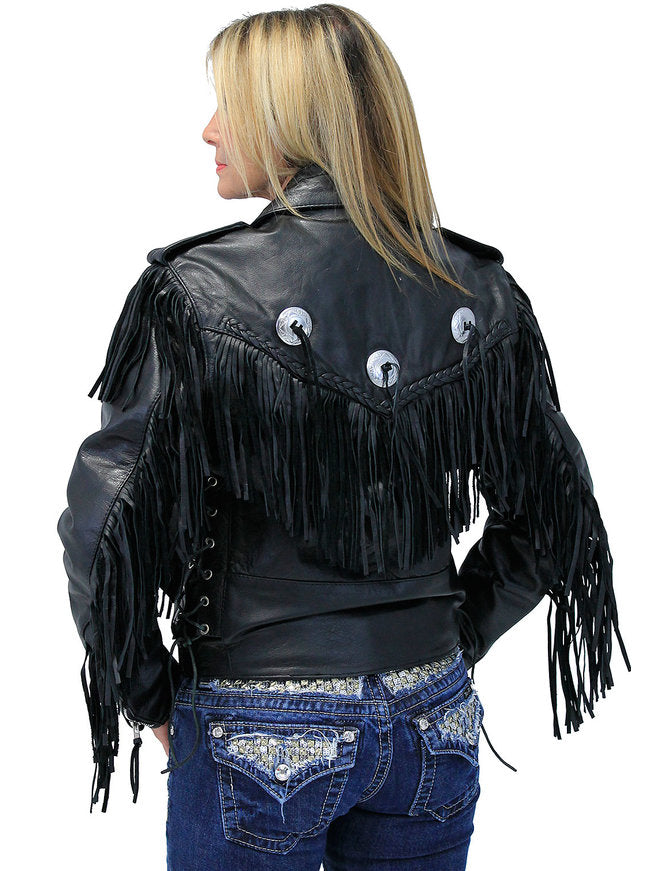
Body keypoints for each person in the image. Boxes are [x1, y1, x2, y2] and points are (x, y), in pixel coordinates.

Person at [56, 4, 631, 869]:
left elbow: (103, 531)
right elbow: (556, 514)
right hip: (433, 716)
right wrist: (453, 636)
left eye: (230, 106)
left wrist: (150, 696)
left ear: (291, 119)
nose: (209, 130)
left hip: (256, 716)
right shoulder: (478, 289)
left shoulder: (194, 292)